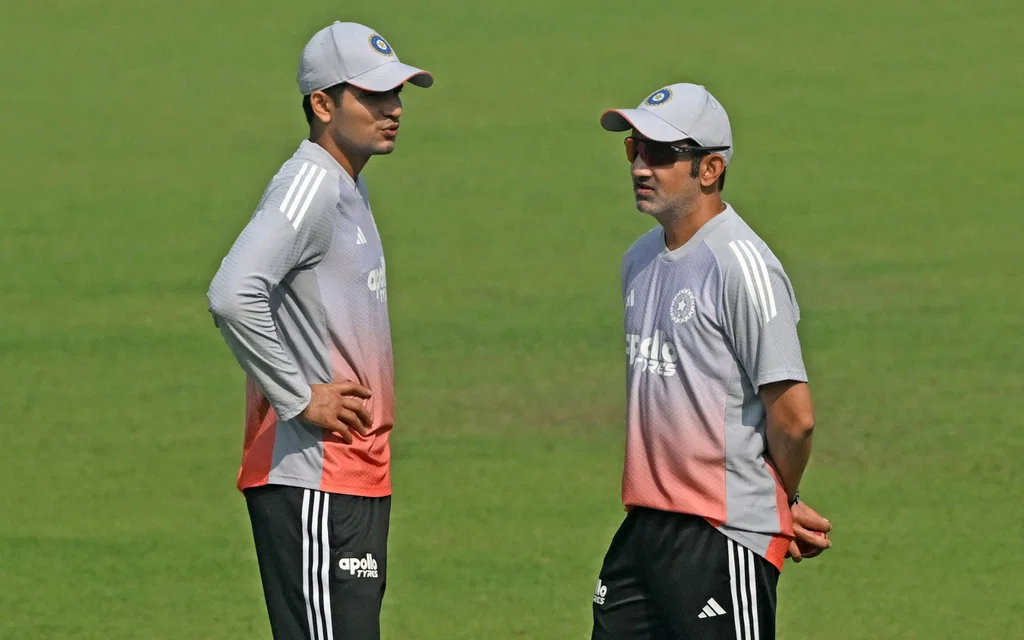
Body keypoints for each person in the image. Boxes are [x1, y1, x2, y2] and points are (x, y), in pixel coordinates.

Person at [206, 21, 432, 640]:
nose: (394, 109)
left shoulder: (345, 190)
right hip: (312, 478)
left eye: (397, 94)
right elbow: (232, 293)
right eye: (373, 96)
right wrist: (300, 396)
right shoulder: (310, 186)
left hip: (350, 474)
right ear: (323, 104)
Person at [591, 83, 831, 640]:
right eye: (634, 149)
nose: (640, 167)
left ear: (709, 169)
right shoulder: (640, 260)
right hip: (646, 527)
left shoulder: (741, 266)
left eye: (659, 154)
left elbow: (794, 417)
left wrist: (779, 499)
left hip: (722, 537)